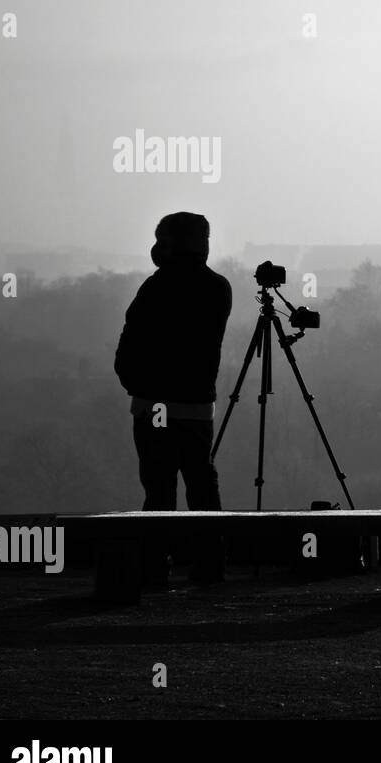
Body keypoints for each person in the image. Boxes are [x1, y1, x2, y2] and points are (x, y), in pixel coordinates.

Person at [114, 212, 233, 585]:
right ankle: (210, 565)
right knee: (202, 485)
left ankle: (154, 567)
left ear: (170, 244)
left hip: (154, 407)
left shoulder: (156, 287)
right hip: (198, 407)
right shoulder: (219, 288)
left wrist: (136, 385)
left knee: (159, 489)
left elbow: (129, 347)